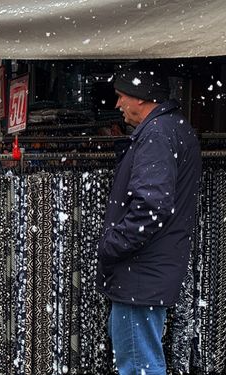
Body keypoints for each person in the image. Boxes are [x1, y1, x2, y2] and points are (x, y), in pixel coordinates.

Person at [96, 63, 201, 375]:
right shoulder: (174, 127)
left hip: (139, 272)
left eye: (120, 97)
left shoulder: (157, 133)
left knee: (139, 364)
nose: (117, 106)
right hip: (150, 269)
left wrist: (111, 246)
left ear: (139, 97)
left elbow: (152, 206)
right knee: (142, 359)